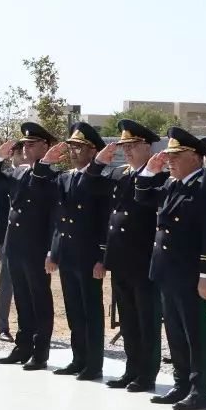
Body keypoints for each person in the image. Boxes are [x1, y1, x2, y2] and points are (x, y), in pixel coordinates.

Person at [135, 127, 206, 410]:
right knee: (175, 332)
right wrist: (150, 171)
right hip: (167, 272)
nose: (170, 160)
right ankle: (181, 384)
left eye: (177, 155)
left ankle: (200, 390)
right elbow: (142, 197)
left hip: (192, 275)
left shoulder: (205, 188)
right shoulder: (172, 185)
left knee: (196, 335)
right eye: (170, 155)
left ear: (196, 158)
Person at [89, 119, 161, 391]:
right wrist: (99, 161)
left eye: (132, 146)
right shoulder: (119, 174)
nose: (126, 151)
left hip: (143, 260)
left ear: (147, 147)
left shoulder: (158, 175)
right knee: (128, 320)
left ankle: (147, 374)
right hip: (120, 259)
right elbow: (92, 184)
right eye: (123, 146)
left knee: (147, 321)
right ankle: (132, 370)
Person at [37, 123, 110, 380]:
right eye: (72, 146)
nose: (74, 151)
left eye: (79, 147)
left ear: (93, 152)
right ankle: (78, 358)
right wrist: (52, 252)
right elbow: (58, 217)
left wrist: (102, 258)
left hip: (89, 256)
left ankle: (94, 363)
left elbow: (104, 223)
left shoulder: (100, 181)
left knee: (91, 312)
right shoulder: (64, 177)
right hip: (67, 254)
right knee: (74, 311)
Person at [0, 122, 59, 370]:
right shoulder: (18, 172)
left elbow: (53, 218)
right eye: (24, 144)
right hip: (15, 247)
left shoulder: (53, 176)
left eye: (31, 144)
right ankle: (23, 346)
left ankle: (40, 353)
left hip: (37, 249)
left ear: (45, 147)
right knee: (21, 299)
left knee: (39, 300)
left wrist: (52, 251)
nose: (26, 148)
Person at [0, 160, 15, 343]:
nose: (23, 155)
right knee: (6, 283)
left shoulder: (34, 174)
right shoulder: (5, 177)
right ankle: (2, 327)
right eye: (19, 152)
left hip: (30, 239)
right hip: (6, 238)